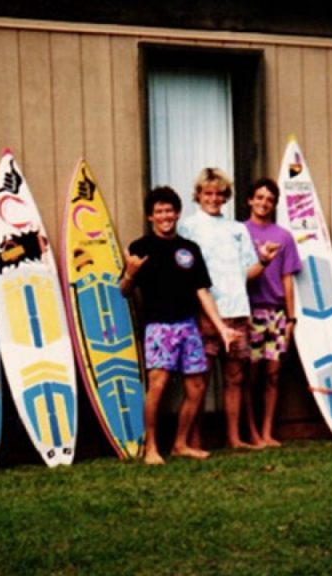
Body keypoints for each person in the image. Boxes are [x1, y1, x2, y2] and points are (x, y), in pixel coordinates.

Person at [121, 186, 235, 465]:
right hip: (158, 327)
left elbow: (202, 291)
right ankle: (151, 448)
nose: (165, 216)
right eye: (159, 211)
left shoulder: (189, 249)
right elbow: (123, 290)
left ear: (178, 213)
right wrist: (130, 274)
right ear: (150, 216)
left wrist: (221, 328)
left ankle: (180, 444)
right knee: (157, 386)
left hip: (189, 326)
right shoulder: (140, 248)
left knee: (196, 387)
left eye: (169, 210)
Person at [177, 168, 271, 449]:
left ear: (226, 196)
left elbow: (249, 272)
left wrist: (264, 261)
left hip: (237, 310)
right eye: (208, 193)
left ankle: (234, 438)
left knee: (235, 377)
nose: (213, 198)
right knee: (199, 380)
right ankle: (194, 440)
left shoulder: (237, 229)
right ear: (198, 195)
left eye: (219, 193)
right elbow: (185, 271)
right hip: (205, 312)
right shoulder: (188, 227)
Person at [243, 178, 302, 447]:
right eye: (259, 197)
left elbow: (288, 279)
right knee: (250, 375)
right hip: (250, 312)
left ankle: (268, 432)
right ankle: (252, 432)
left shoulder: (284, 237)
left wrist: (291, 318)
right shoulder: (241, 232)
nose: (264, 203)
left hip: (276, 314)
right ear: (249, 200)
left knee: (273, 374)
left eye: (269, 199)